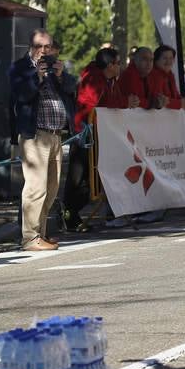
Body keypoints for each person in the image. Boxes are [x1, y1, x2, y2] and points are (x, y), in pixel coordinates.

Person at [9, 28, 76, 251]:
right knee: (36, 187)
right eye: (39, 47)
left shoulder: (55, 67)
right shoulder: (21, 68)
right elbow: (21, 96)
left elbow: (71, 90)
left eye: (47, 47)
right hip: (35, 134)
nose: (43, 51)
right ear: (31, 47)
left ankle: (41, 234)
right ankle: (29, 237)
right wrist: (36, 76)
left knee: (51, 189)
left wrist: (61, 76)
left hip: (56, 134)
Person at [63, 47, 129, 231]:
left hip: (99, 135)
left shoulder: (108, 79)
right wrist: (125, 103)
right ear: (110, 65)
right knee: (80, 178)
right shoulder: (93, 79)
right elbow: (95, 106)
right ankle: (68, 215)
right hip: (84, 136)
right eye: (118, 63)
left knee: (92, 178)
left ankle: (72, 215)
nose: (120, 67)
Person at [147, 44, 185, 110]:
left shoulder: (169, 75)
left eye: (171, 58)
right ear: (156, 60)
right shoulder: (154, 75)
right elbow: (159, 100)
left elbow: (176, 96)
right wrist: (180, 104)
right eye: (165, 58)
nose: (168, 61)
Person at [119, 46, 168, 110]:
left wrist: (161, 100)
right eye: (145, 59)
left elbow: (157, 97)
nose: (149, 63)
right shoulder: (129, 74)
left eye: (151, 60)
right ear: (135, 60)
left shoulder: (150, 75)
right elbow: (136, 102)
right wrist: (154, 103)